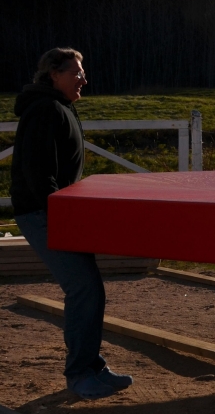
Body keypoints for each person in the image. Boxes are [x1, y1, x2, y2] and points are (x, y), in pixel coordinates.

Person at [11, 48, 133, 400]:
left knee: (90, 289)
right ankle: (80, 374)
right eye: (76, 73)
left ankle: (91, 367)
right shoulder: (44, 110)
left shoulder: (59, 107)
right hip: (43, 213)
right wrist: (59, 217)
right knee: (83, 289)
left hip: (56, 212)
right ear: (54, 74)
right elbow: (39, 174)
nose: (84, 79)